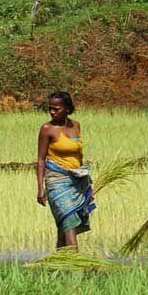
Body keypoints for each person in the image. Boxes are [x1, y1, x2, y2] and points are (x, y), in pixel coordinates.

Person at [35, 90, 93, 249]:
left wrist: (86, 181)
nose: (52, 112)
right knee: (69, 221)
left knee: (64, 227)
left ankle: (58, 265)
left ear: (67, 108)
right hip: (57, 182)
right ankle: (76, 266)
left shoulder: (76, 126)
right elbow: (41, 159)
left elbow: (79, 155)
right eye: (50, 108)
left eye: (56, 108)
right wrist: (40, 189)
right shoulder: (47, 129)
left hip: (77, 180)